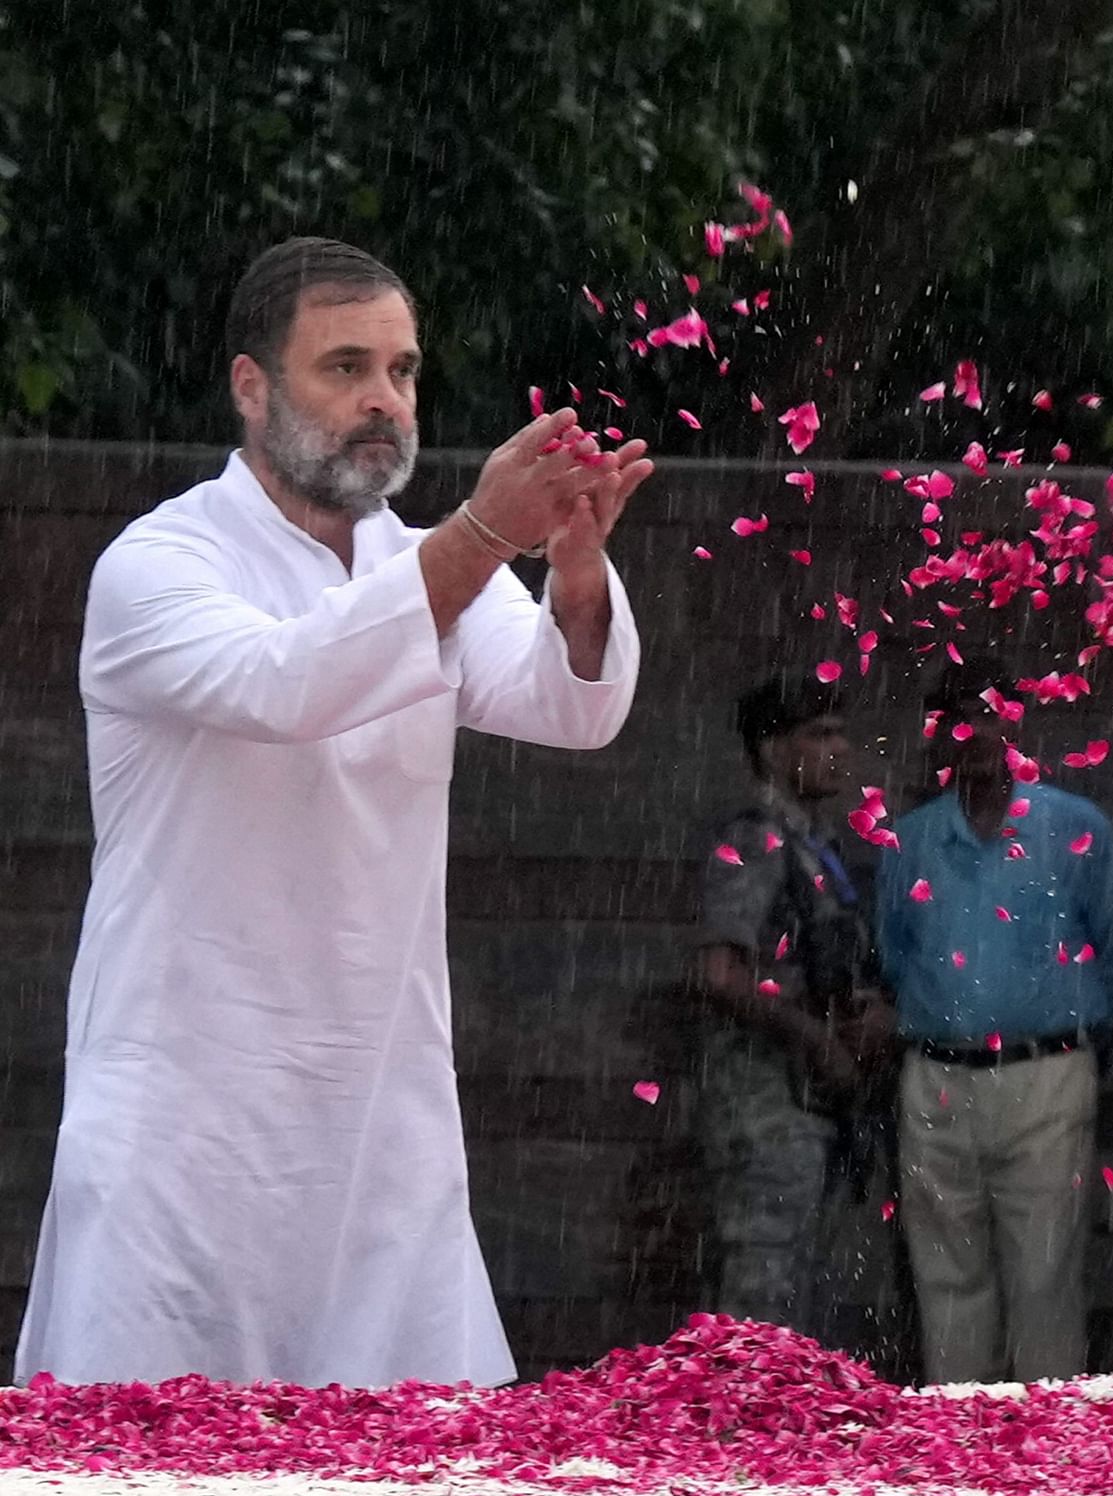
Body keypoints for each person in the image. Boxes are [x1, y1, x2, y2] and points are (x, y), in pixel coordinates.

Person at [15, 237, 654, 1389]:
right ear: (251, 386)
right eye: (345, 367)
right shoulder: (156, 565)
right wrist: (487, 535)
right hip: (185, 1126)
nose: (383, 402)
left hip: (380, 1128)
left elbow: (572, 706)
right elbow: (288, 683)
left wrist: (570, 572)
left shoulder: (435, 566)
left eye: (403, 372)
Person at [876, 655, 1113, 1385]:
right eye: (961, 719)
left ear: (1016, 725)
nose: (977, 734)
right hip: (935, 1074)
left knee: (1046, 1276)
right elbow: (894, 955)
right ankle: (958, 1453)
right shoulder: (914, 839)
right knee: (945, 1277)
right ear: (938, 737)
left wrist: (1071, 1039)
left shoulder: (1073, 828)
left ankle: (1047, 1463)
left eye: (990, 715)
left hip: (1047, 1071)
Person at [695, 675, 894, 1331]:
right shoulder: (759, 839)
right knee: (763, 1303)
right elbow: (722, 974)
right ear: (774, 749)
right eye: (819, 735)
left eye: (841, 733)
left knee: (805, 1302)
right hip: (768, 1106)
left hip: (813, 1104)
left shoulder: (816, 844)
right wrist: (816, 1040)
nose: (839, 749)